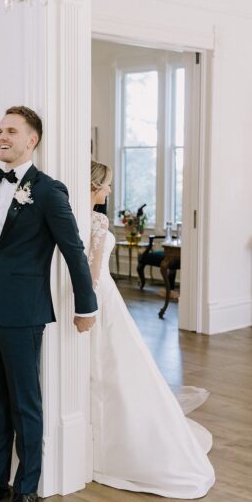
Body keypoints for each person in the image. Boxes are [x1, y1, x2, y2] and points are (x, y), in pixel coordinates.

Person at [0, 106, 97, 502]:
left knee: (25, 406)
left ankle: (26, 490)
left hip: (23, 314)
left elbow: (73, 250)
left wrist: (86, 306)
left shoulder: (50, 191)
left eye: (11, 131)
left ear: (31, 140)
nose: (2, 136)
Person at [89, 160, 215, 498]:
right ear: (94, 186)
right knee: (113, 368)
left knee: (102, 369)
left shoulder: (69, 217)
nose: (110, 191)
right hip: (99, 299)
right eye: (107, 185)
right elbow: (94, 276)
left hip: (88, 298)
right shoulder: (97, 220)